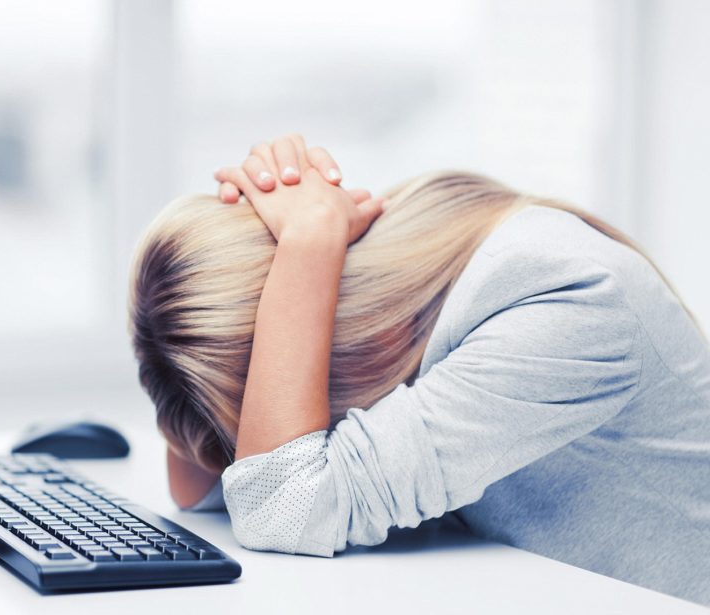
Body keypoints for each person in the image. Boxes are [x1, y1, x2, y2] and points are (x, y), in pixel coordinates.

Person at [129, 135, 710, 605]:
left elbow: (279, 507)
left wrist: (306, 244)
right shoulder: (415, 264)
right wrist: (225, 277)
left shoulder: (562, 298)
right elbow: (201, 486)